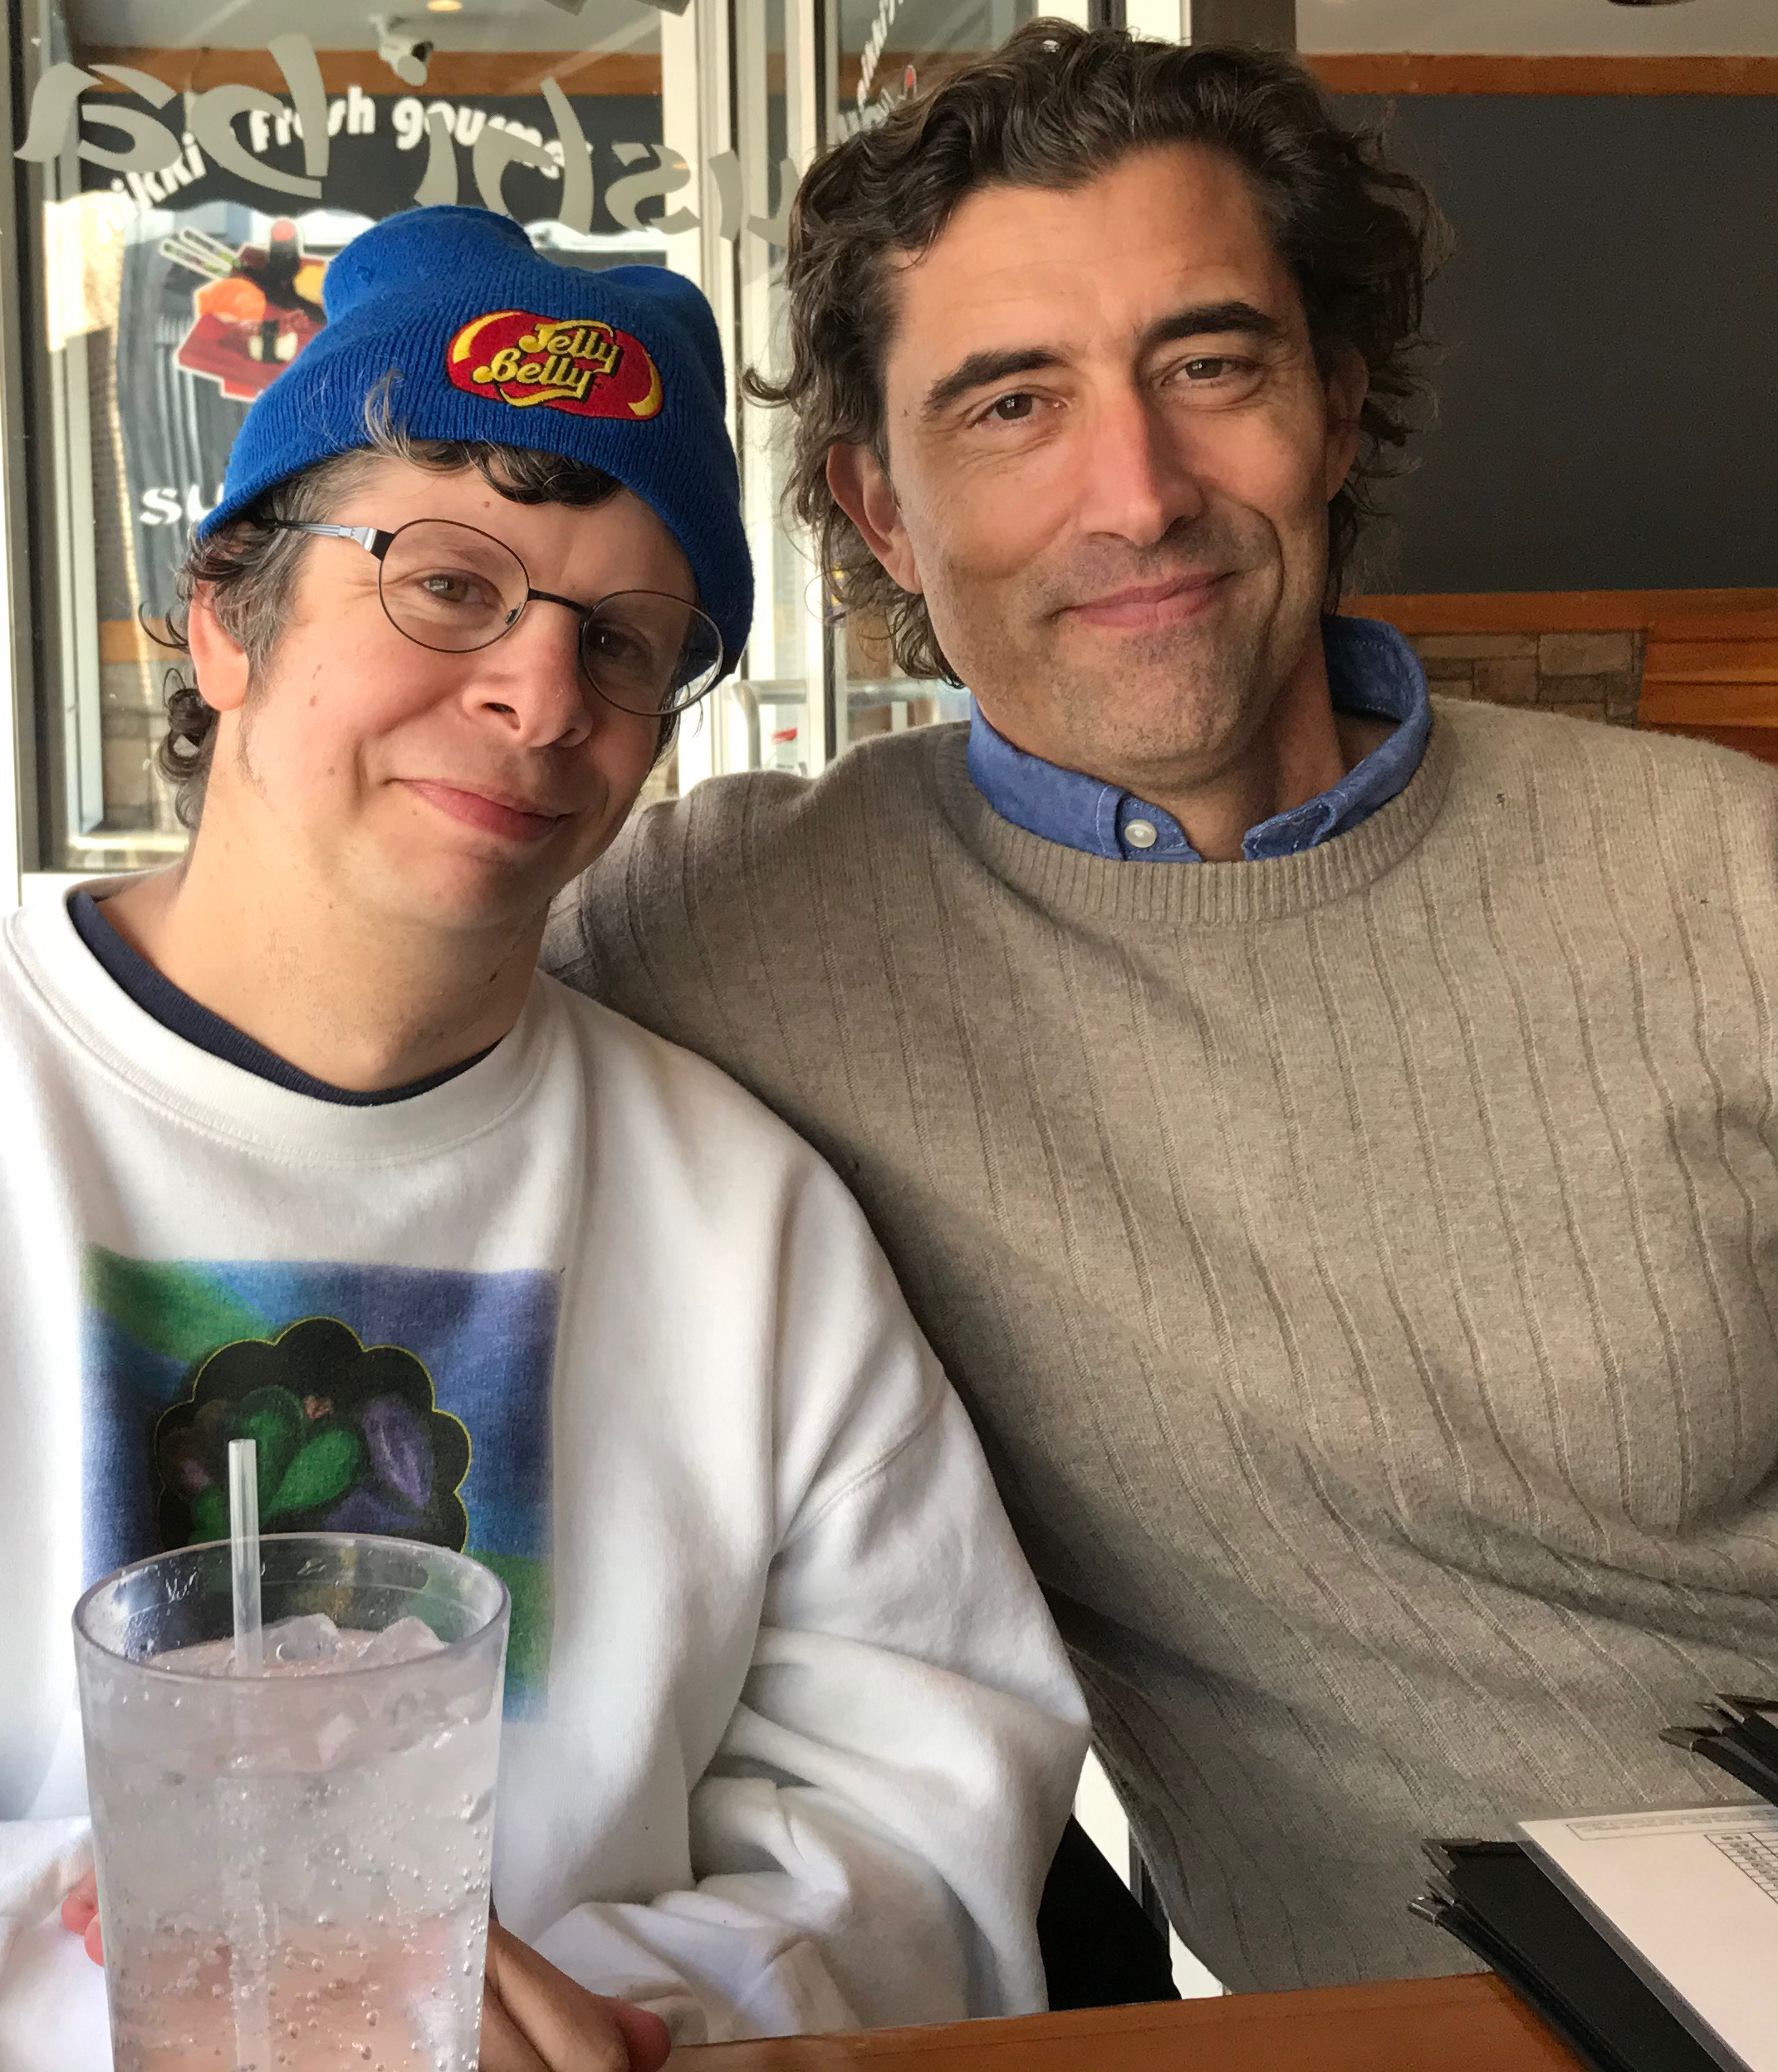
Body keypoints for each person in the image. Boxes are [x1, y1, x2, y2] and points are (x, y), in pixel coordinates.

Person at [0, 206, 1090, 2070]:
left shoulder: (743, 1218)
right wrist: (219, 2007)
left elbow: (912, 1826)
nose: (541, 696)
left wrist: (582, 2028)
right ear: (225, 618)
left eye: (624, 642)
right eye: (446, 583)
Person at [544, 23, 1778, 1996]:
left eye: (1209, 366)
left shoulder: (1729, 881)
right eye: (1011, 404)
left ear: (1337, 404)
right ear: (877, 510)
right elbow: (297, 1019)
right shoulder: (726, 925)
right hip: (1401, 2029)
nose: (1137, 492)